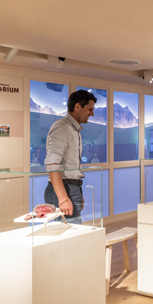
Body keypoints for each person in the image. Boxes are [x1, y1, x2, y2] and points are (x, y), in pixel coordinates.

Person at [44, 90, 97, 223]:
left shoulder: (73, 129)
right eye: (90, 109)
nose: (92, 114)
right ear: (77, 106)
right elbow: (52, 163)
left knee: (74, 232)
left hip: (71, 188)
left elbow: (70, 168)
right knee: (67, 233)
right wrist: (63, 198)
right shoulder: (62, 127)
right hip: (64, 189)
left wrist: (77, 192)